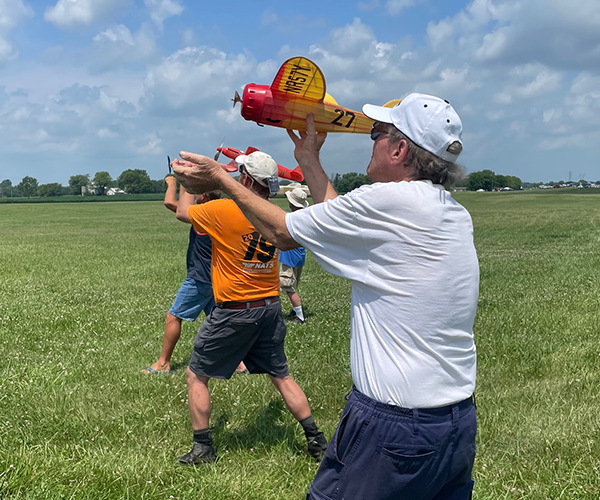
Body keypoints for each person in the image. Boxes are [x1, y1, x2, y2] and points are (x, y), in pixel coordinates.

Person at [173, 93, 479, 499]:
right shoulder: (449, 212)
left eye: (378, 132)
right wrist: (310, 162)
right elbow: (335, 218)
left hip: (395, 425)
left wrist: (223, 181)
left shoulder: (386, 201)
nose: (371, 140)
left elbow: (283, 232)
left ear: (400, 148)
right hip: (455, 421)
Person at [172, 150, 327, 465]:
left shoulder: (224, 210)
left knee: (196, 374)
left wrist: (187, 182)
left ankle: (203, 448)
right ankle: (316, 439)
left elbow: (182, 213)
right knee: (281, 375)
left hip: (233, 310)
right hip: (270, 307)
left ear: (244, 178)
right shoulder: (274, 214)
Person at [141, 177, 218, 374]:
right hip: (216, 276)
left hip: (199, 278)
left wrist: (175, 182)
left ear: (201, 196)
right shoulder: (220, 213)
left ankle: (163, 363)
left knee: (173, 316)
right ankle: (239, 362)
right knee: (216, 318)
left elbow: (171, 204)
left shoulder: (201, 215)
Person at [279, 188, 309, 324]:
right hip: (299, 257)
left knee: (288, 287)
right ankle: (295, 310)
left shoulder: (290, 218)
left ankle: (300, 315)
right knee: (293, 285)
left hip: (289, 259)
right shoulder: (303, 218)